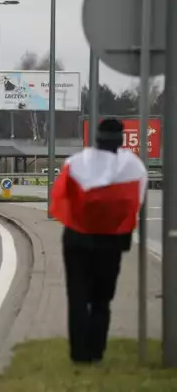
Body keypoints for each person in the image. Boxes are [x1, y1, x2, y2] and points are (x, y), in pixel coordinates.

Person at [49, 119, 147, 364]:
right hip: (111, 242)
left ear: (97, 137)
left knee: (78, 296)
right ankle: (97, 351)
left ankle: (79, 355)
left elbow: (61, 197)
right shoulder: (134, 167)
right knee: (102, 299)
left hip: (77, 240)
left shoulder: (76, 162)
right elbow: (137, 203)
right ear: (121, 139)